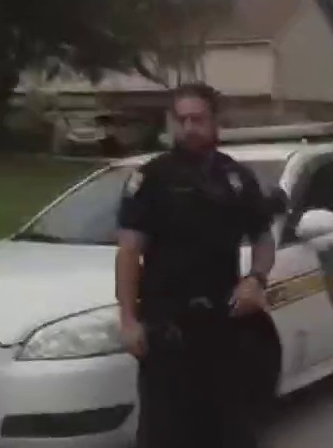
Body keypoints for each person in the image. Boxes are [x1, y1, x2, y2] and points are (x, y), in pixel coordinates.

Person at [115, 82, 277, 448]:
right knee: (166, 433)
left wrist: (256, 279)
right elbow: (128, 252)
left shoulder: (236, 178)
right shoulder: (152, 179)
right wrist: (128, 319)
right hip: (167, 330)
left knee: (229, 430)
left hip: (224, 327)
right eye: (182, 119)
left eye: (198, 119)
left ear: (215, 121)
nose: (189, 128)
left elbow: (263, 238)